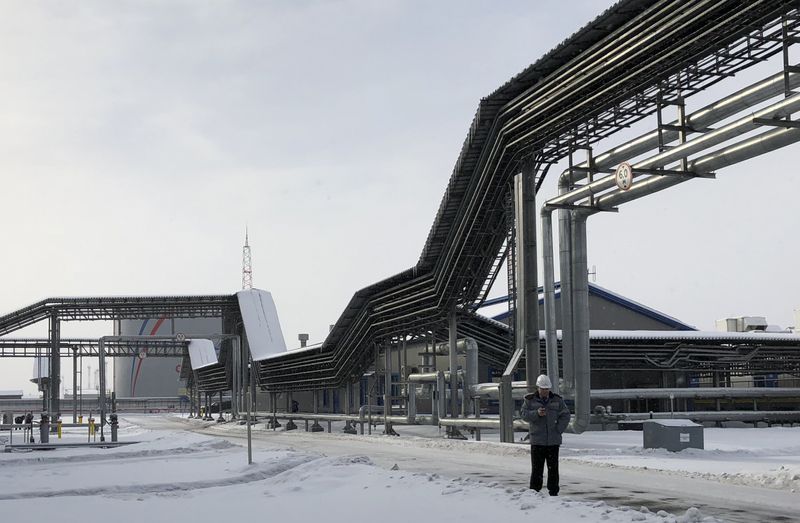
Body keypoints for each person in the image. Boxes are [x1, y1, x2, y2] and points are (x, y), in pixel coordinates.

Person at [520, 374, 571, 495]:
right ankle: (534, 491)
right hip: (538, 440)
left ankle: (553, 491)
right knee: (537, 468)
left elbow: (566, 415)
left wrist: (558, 429)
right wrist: (536, 413)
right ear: (538, 388)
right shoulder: (530, 400)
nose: (545, 391)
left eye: (547, 389)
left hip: (553, 440)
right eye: (543, 389)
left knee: (553, 468)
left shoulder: (557, 400)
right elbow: (523, 414)